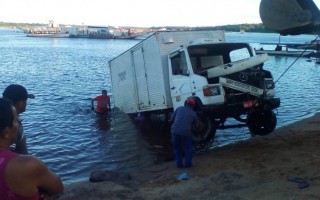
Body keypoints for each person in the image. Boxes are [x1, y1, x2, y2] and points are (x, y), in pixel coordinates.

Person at [0, 98, 64, 199]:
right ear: (6, 132)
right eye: (16, 120)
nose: (19, 124)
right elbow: (58, 187)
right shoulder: (26, 165)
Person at [2, 84, 35, 155]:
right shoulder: (13, 126)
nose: (26, 103)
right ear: (20, 103)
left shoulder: (3, 120)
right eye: (26, 100)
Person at [169, 98, 197, 168]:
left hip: (174, 131)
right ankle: (188, 164)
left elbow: (171, 119)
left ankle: (179, 164)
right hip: (186, 133)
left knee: (177, 148)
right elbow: (196, 125)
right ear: (193, 106)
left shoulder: (179, 108)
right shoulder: (193, 114)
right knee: (188, 148)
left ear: (185, 104)